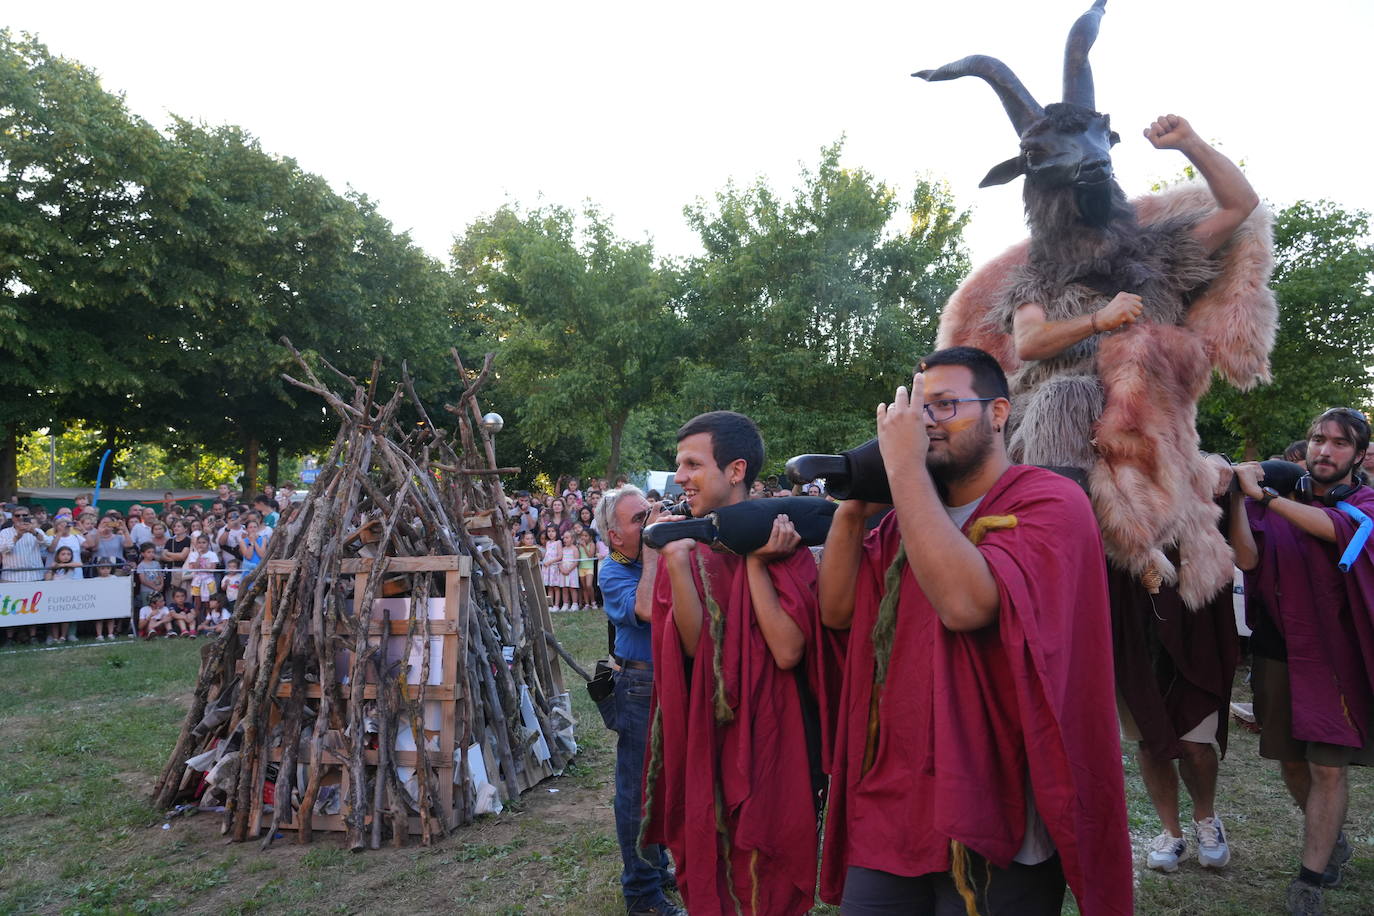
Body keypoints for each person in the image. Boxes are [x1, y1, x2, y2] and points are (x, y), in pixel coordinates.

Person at [817, 347, 1130, 915]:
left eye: (946, 406)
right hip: (896, 801)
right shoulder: (903, 516)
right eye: (919, 409)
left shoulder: (1051, 500)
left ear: (999, 412)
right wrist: (851, 511)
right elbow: (837, 612)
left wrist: (904, 471)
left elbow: (965, 604)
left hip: (1000, 807)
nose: (928, 423)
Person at [641, 411, 828, 916]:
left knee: (767, 871)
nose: (680, 477)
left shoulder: (785, 546)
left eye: (692, 464)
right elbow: (695, 650)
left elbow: (788, 651)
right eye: (679, 466)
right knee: (710, 856)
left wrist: (755, 561)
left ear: (736, 469)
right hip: (707, 733)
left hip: (775, 736)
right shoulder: (685, 541)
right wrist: (677, 562)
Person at [1229, 407, 1374, 915]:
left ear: (1359, 455)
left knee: (1326, 768)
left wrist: (1266, 496)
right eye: (1318, 439)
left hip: (1338, 659)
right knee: (1292, 764)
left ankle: (1309, 879)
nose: (1324, 450)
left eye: (1339, 443)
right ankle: (1331, 840)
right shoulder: (1279, 499)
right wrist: (1236, 499)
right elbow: (1248, 559)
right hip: (1280, 651)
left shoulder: (1365, 503)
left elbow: (1340, 531)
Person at [593, 486, 684, 916]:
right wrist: (653, 551)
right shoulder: (612, 570)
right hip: (639, 686)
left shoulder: (653, 555)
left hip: (670, 680)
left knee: (664, 782)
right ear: (615, 536)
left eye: (649, 513)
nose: (648, 523)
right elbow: (646, 608)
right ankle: (642, 894)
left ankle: (657, 865)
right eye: (637, 520)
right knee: (635, 792)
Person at [1, 506, 53, 645]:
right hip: (11, 577)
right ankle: (10, 638)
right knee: (11, 609)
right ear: (13, 518)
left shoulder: (36, 530)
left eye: (25, 515)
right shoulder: (5, 532)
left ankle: (33, 636)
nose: (21, 518)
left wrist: (34, 532)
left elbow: (48, 543)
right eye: (18, 516)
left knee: (33, 609)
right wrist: (17, 536)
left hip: (34, 576)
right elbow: (3, 549)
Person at [558, 530, 581, 612]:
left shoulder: (574, 549)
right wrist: (562, 569)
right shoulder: (562, 549)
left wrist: (569, 570)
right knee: (564, 588)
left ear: (572, 539)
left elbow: (576, 561)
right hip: (563, 571)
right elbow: (559, 560)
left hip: (572, 570)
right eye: (564, 538)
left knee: (572, 587)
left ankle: (575, 604)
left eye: (567, 537)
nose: (565, 539)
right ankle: (565, 604)